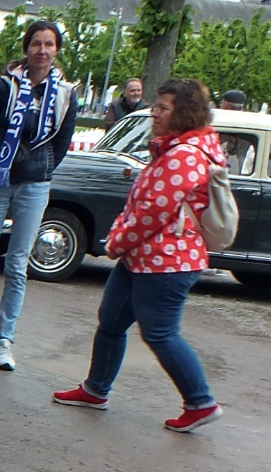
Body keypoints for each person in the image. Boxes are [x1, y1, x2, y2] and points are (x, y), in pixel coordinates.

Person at [53, 79, 225, 433]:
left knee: (160, 333)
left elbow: (152, 212)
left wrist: (116, 242)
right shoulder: (179, 150)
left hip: (166, 262)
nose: (155, 114)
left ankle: (201, 402)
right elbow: (145, 206)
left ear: (184, 113)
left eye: (163, 108)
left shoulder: (184, 155)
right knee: (112, 321)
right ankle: (95, 389)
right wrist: (123, 241)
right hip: (147, 258)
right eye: (155, 107)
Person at [0, 20, 77, 372]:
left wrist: (42, 168)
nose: (42, 50)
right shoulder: (4, 87)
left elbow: (62, 141)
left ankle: (4, 340)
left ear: (56, 50)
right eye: (36, 43)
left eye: (49, 44)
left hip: (34, 184)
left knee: (18, 263)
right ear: (26, 48)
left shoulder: (64, 94)